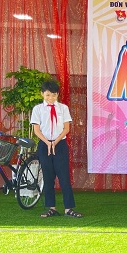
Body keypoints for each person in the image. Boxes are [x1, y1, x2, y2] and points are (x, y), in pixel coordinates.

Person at [31, 80, 83, 218]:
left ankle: (69, 209)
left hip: (60, 145)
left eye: (53, 95)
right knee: (48, 178)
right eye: (48, 95)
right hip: (44, 145)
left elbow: (66, 129)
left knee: (64, 177)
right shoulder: (37, 109)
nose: (51, 98)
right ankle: (51, 208)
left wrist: (55, 142)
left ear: (57, 95)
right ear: (42, 94)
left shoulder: (63, 108)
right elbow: (36, 130)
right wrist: (48, 143)